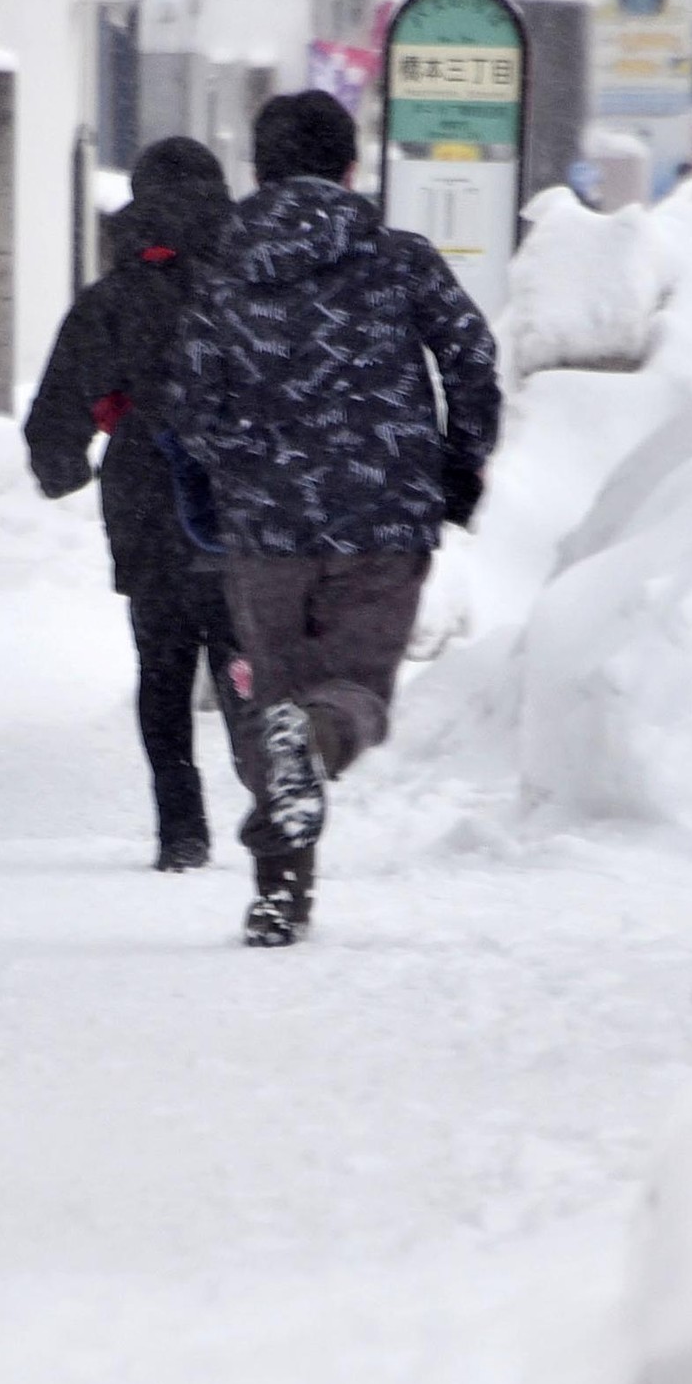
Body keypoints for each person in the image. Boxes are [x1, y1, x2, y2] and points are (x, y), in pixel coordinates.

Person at [171, 90, 499, 947]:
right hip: (383, 515)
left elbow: (190, 396)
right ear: (351, 168)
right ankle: (307, 750)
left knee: (271, 700)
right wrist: (460, 465)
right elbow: (469, 353)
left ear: (260, 170)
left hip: (265, 526)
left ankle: (279, 896)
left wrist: (217, 487)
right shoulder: (399, 260)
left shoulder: (224, 273)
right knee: (348, 694)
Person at [26, 136, 248, 872]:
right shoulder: (258, 286)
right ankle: (276, 805)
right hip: (246, 508)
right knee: (246, 660)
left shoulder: (116, 296)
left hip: (148, 503)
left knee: (162, 665)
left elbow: (55, 422)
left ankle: (181, 830)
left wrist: (67, 466)